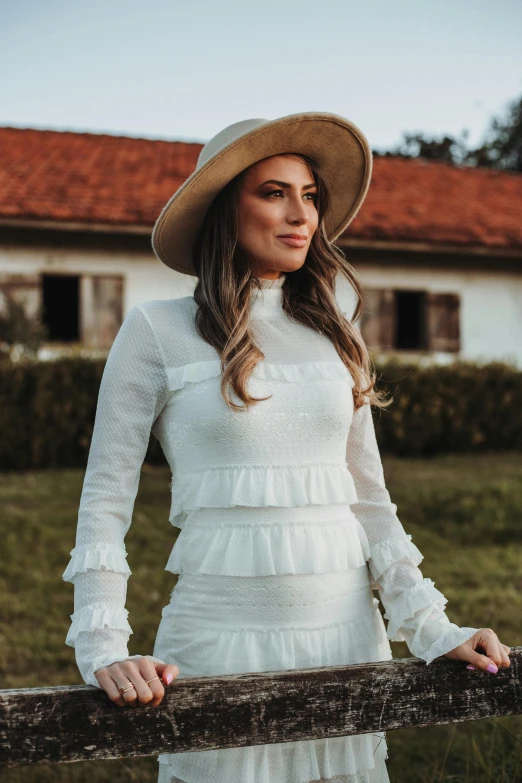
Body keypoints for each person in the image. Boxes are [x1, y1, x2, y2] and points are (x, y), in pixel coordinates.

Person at [62, 112, 511, 783]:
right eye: (273, 192)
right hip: (216, 642)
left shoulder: (339, 335)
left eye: (310, 196)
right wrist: (102, 646)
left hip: (345, 640)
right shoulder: (155, 332)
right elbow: (104, 500)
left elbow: (370, 501)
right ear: (225, 209)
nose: (300, 214)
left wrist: (432, 628)